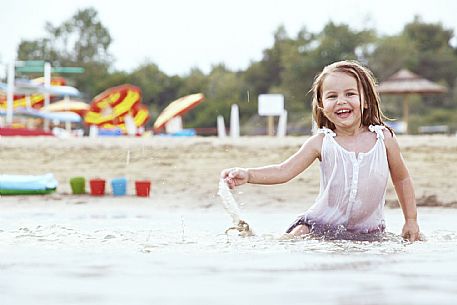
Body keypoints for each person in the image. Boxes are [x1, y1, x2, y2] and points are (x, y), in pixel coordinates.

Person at [221, 60, 420, 242]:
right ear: (323, 106)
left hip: (368, 231)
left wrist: (410, 220)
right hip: (319, 226)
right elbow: (283, 171)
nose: (341, 101)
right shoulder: (321, 142)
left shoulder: (383, 138)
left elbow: (402, 179)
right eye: (332, 96)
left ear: (366, 100)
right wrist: (248, 174)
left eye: (350, 94)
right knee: (295, 238)